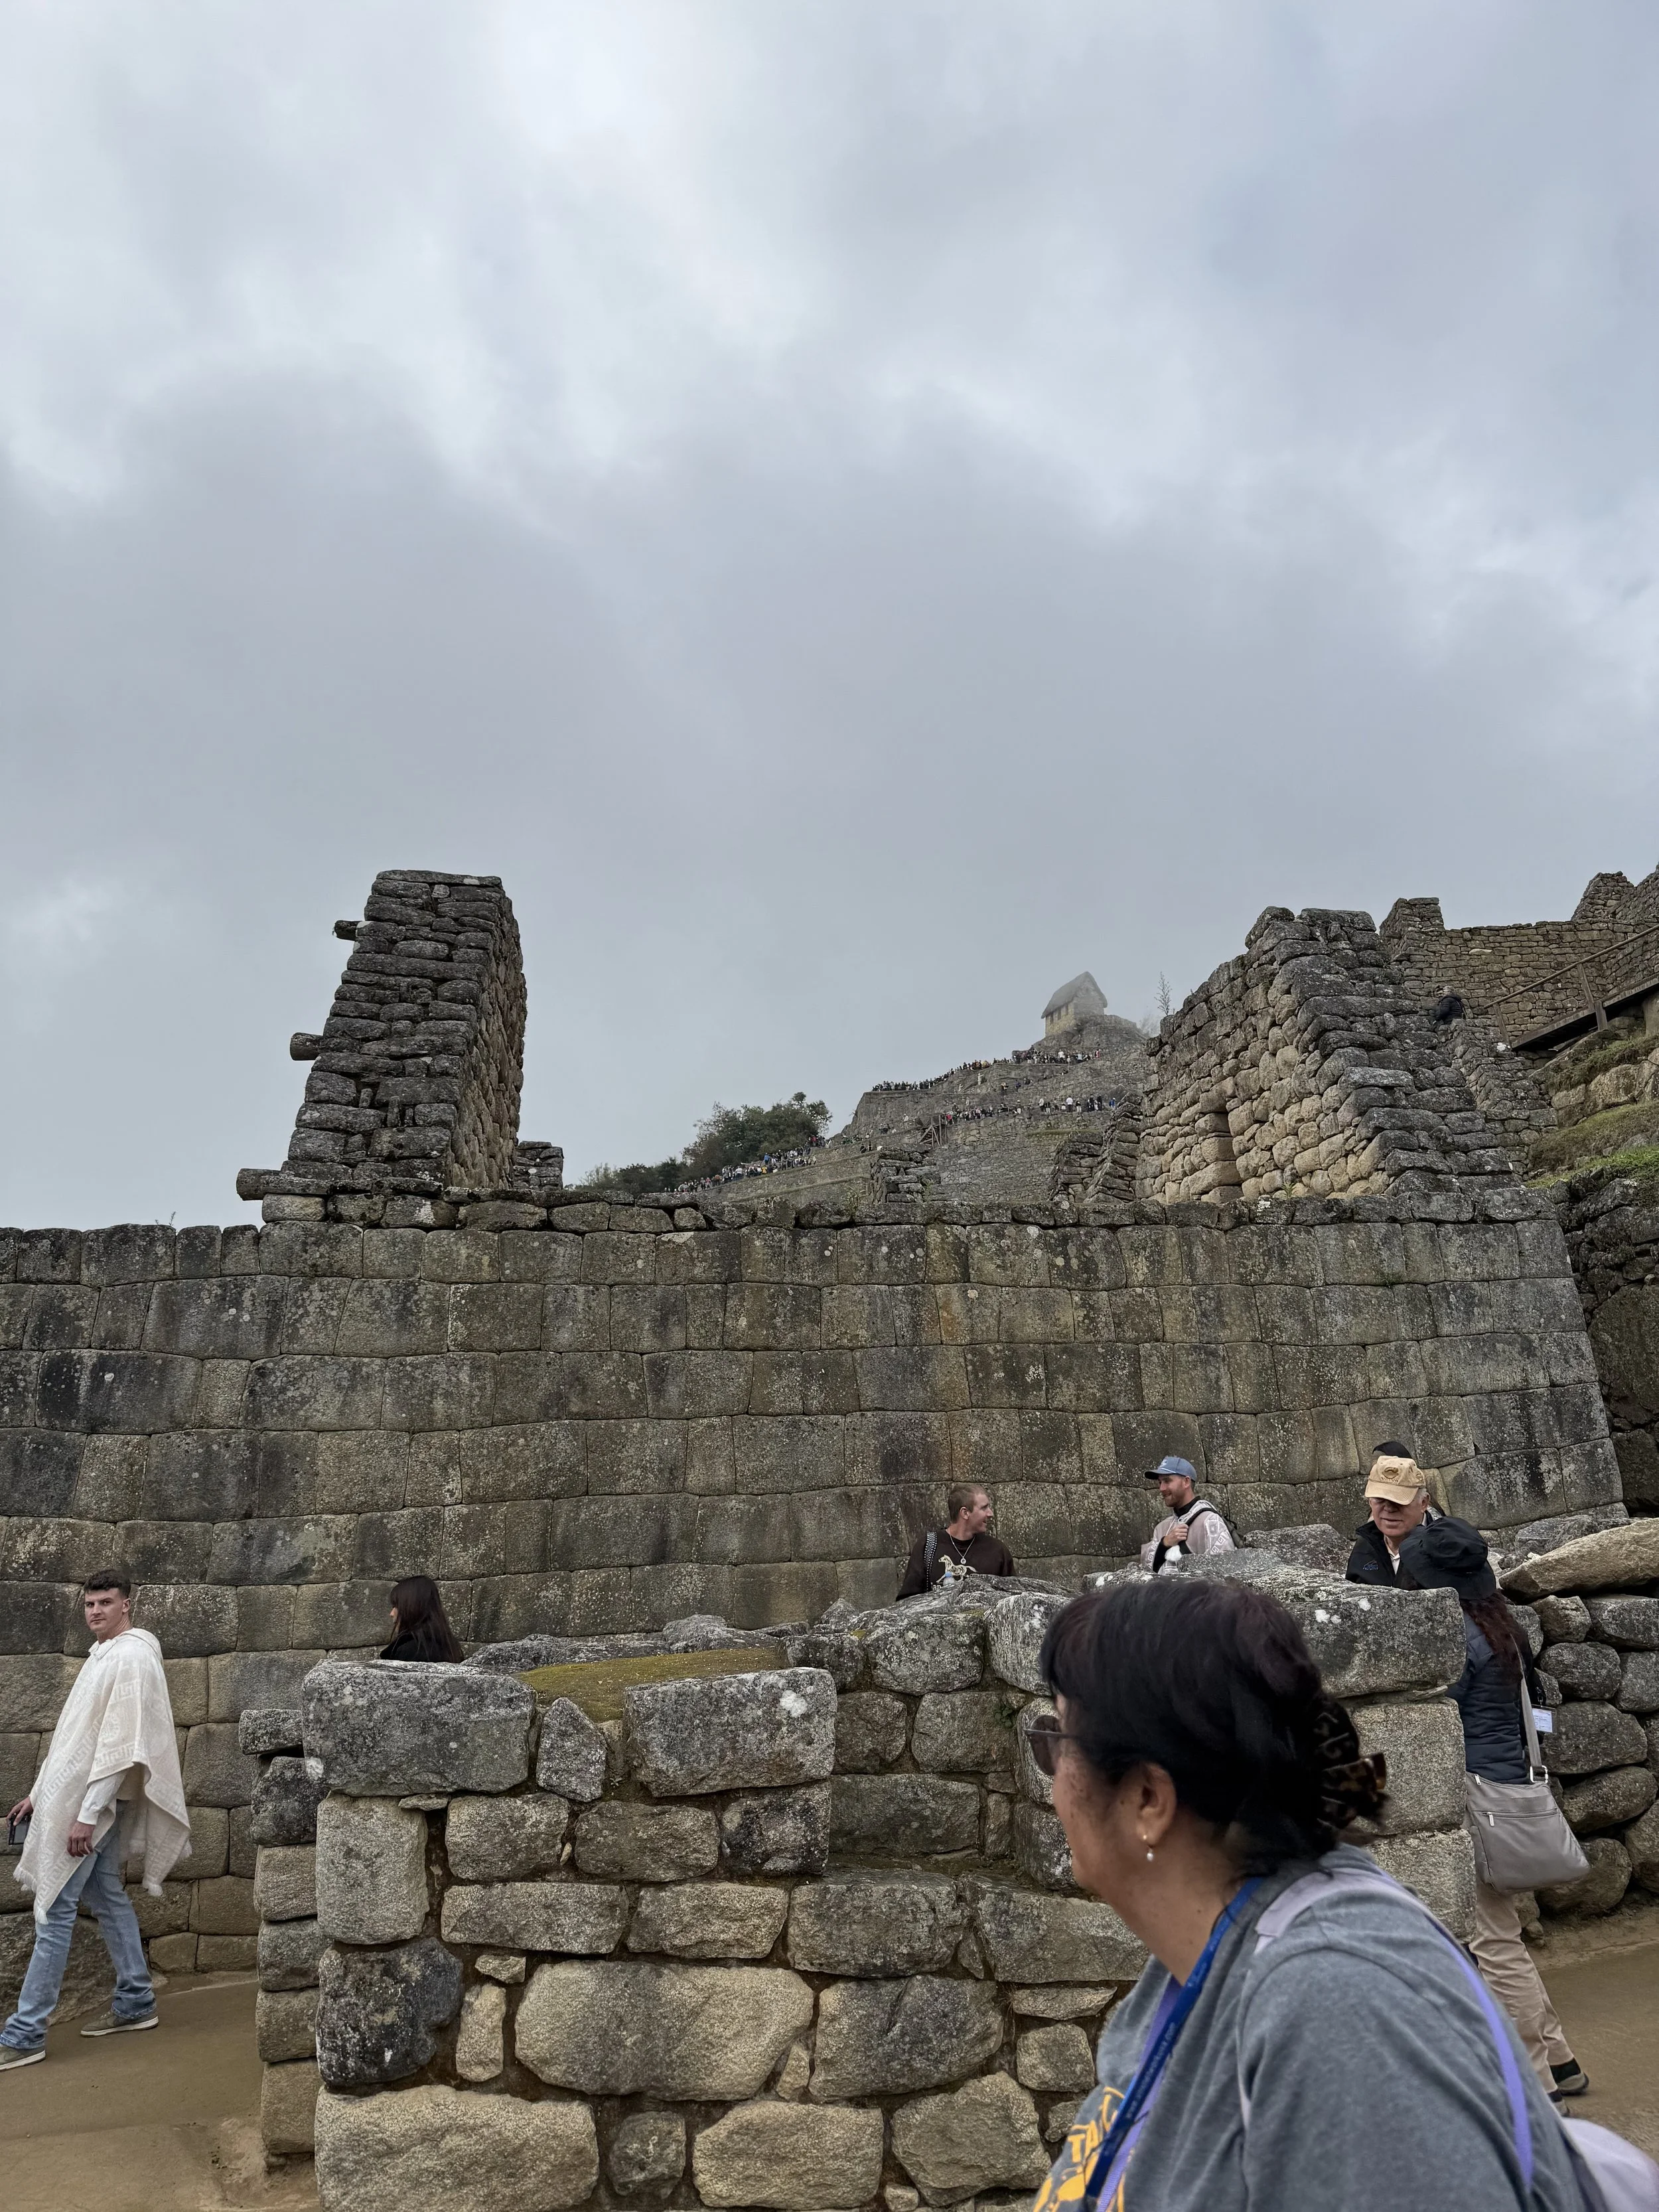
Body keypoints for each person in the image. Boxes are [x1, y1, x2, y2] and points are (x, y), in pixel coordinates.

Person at [1024, 1576, 1585, 2211]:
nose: (1051, 1782)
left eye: (1056, 1742)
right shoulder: (1190, 1969)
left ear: (1148, 1798)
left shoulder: (1341, 2011)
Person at [1399, 1518, 1589, 2104]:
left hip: (1478, 1795)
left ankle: (1536, 2084)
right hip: (1509, 1788)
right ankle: (1559, 2061)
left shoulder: (1457, 1637)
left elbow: (1433, 1719)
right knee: (1502, 1934)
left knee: (1493, 1940)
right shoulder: (1500, 1624)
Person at [1, 1571, 189, 2073]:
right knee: (104, 1892)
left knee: (55, 1909)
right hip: (83, 1800)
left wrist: (86, 1816)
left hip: (95, 1806)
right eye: (89, 1603)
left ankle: (25, 2034)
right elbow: (74, 1738)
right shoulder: (103, 1653)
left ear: (127, 1604)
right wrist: (39, 1793)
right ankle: (136, 2001)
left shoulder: (130, 1656)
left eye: (106, 1602)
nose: (95, 1611)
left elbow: (119, 1750)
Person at [1345, 1444, 1440, 1584]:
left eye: (1399, 1500)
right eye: (1380, 1499)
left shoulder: (1447, 1548)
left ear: (1424, 1503)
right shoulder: (1365, 1547)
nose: (1389, 1508)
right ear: (1370, 1502)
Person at [898, 1486, 1015, 1597]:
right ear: (965, 1513)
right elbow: (908, 1603)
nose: (990, 1514)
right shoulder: (928, 1547)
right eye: (984, 1508)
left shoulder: (998, 1551)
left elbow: (1013, 1601)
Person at [1138, 1457, 1234, 1572]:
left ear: (1186, 1482)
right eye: (1160, 1482)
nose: (1161, 1488)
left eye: (1167, 1481)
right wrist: (1164, 1544)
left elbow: (1227, 1568)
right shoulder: (1161, 1528)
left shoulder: (1209, 1521)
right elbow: (1146, 1574)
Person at [380, 1576, 465, 1662]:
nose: (391, 1614)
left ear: (412, 1608)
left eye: (397, 1606)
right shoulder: (449, 1647)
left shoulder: (410, 1652)